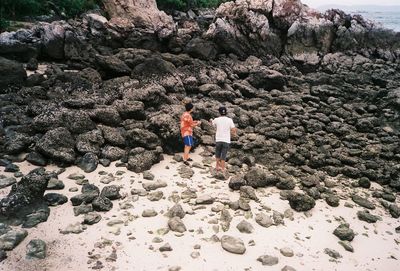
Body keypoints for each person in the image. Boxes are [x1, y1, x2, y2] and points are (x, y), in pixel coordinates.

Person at [210, 106, 236, 172]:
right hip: (226, 139)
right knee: (223, 154)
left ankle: (217, 166)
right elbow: (233, 129)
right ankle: (223, 168)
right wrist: (232, 133)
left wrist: (211, 120)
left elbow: (212, 124)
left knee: (217, 153)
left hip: (218, 139)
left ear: (219, 112)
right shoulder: (230, 120)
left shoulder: (216, 119)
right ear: (226, 112)